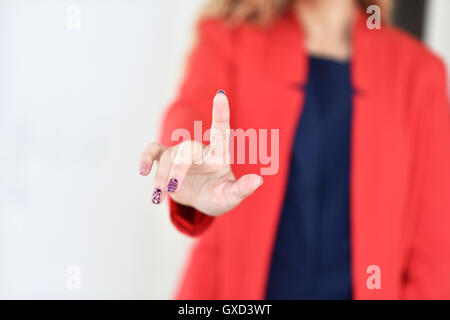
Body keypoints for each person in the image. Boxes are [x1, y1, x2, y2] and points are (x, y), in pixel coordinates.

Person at [139, 0, 450, 299]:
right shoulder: (229, 36)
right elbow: (193, 110)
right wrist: (184, 157)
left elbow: (434, 259)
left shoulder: (420, 74)